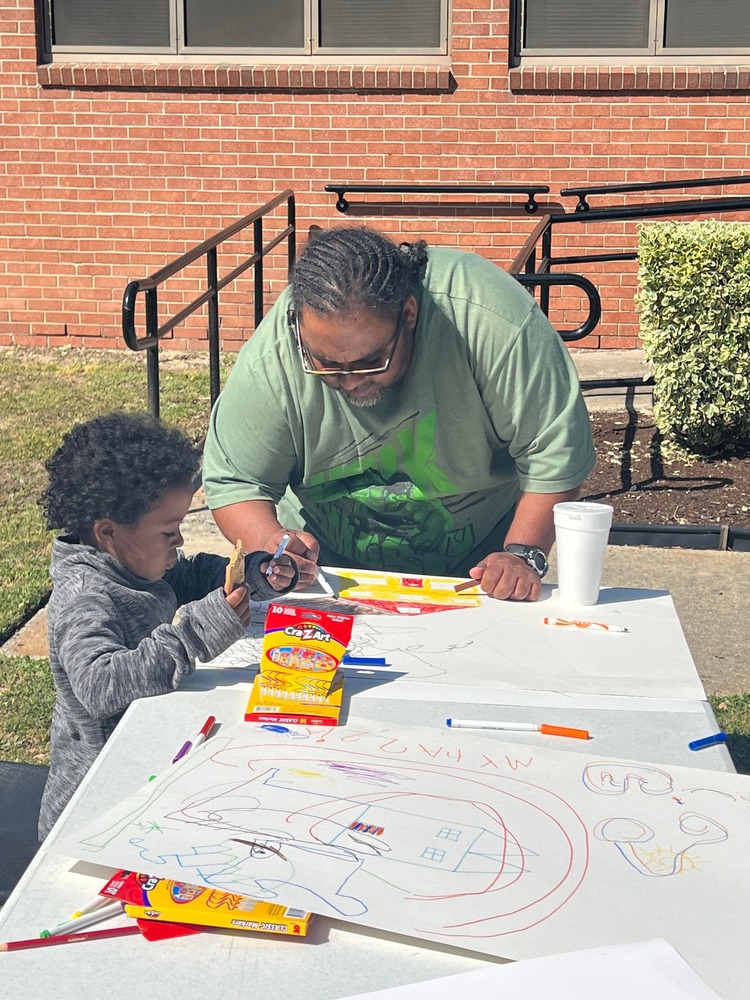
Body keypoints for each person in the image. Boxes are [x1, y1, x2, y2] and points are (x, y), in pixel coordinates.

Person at [203, 226, 596, 603]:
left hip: (479, 572)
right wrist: (270, 541)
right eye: (326, 364)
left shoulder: (489, 319)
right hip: (327, 576)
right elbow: (236, 481)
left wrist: (522, 554)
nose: (351, 381)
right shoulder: (273, 357)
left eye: (371, 361)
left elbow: (553, 452)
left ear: (409, 313)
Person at [37, 411, 298, 840]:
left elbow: (190, 575)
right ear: (109, 532)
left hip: (150, 761)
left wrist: (253, 573)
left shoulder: (132, 564)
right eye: (168, 532)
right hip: (97, 804)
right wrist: (196, 633)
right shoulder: (86, 596)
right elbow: (101, 685)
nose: (179, 542)